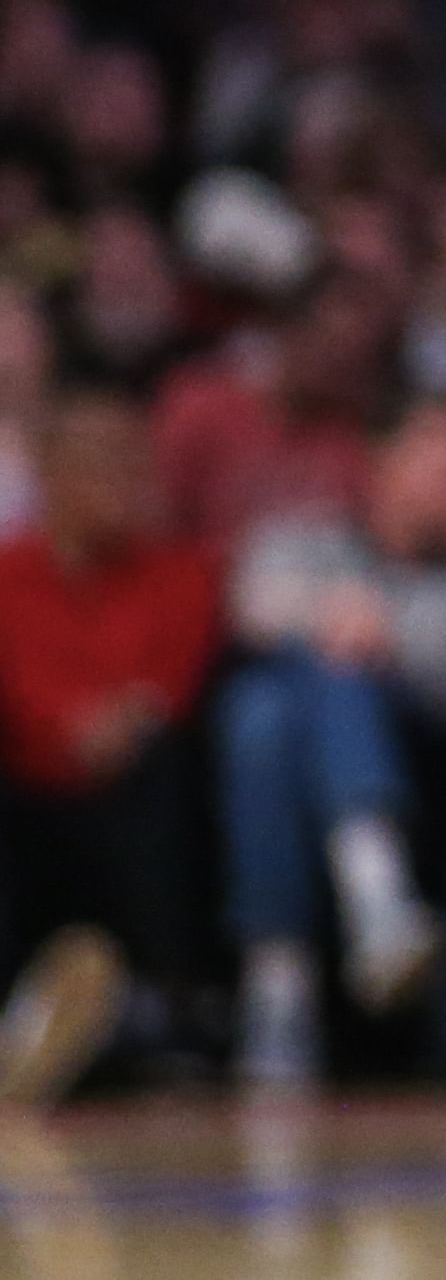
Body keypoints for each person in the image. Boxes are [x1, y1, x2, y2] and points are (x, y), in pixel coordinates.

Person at [218, 399, 446, 1082]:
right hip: (309, 771)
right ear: (382, 468)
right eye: (441, 467)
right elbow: (251, 603)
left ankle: (277, 983)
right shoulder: (307, 537)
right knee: (263, 710)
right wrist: (333, 620)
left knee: (289, 700)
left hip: (431, 764)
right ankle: (375, 904)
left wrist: (380, 638)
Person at [0, 385, 223, 1104]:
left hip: (134, 787)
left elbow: (173, 682)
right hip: (28, 792)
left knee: (163, 768)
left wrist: (117, 724)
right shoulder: (8, 574)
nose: (125, 479)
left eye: (134, 460)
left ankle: (164, 1007)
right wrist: (68, 733)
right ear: (50, 471)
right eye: (101, 460)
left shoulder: (182, 571)